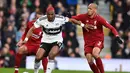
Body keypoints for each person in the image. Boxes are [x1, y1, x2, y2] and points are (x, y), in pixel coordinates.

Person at [22, 6, 93, 73]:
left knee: (51, 55)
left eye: (52, 14)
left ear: (54, 13)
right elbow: (31, 29)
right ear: (46, 14)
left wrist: (83, 25)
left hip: (57, 41)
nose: (50, 16)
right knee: (38, 57)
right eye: (49, 14)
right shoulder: (42, 20)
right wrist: (26, 39)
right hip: (45, 41)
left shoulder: (60, 18)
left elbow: (72, 20)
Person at [72, 3, 123, 73]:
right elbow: (72, 19)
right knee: (89, 60)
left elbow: (111, 27)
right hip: (88, 42)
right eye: (88, 8)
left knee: (95, 54)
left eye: (90, 8)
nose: (88, 10)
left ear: (95, 10)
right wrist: (81, 24)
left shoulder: (99, 19)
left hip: (98, 40)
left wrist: (117, 36)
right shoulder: (83, 17)